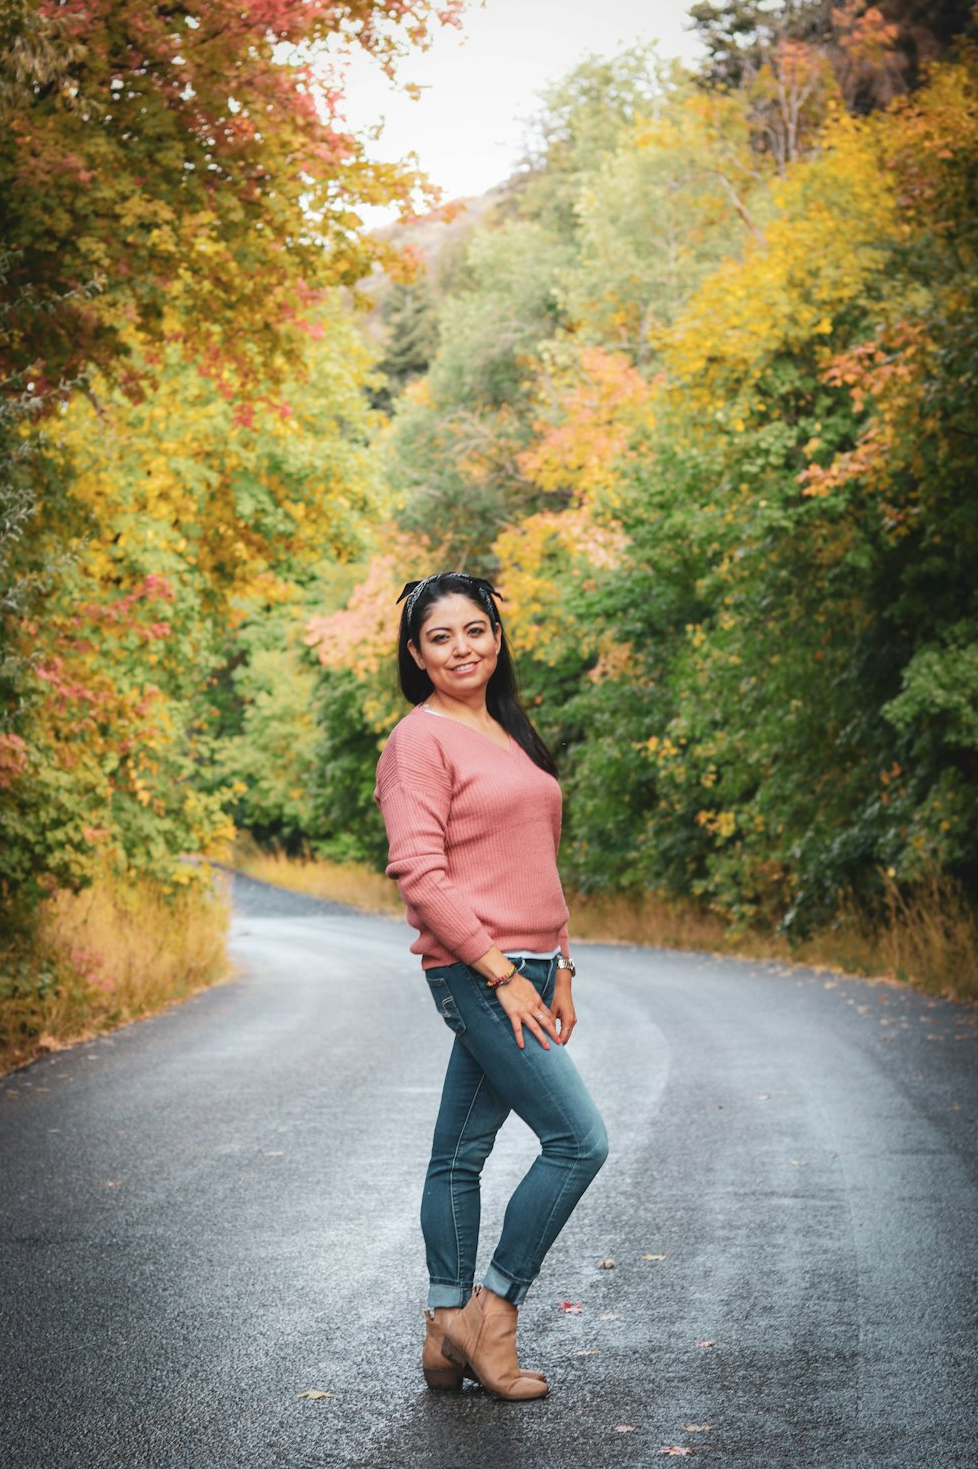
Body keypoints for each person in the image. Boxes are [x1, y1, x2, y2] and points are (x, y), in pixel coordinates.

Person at [373, 569, 608, 1403]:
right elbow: (420, 875)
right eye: (440, 637)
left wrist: (561, 962)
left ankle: (444, 1331)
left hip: (530, 965)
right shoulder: (419, 742)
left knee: (460, 1152)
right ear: (416, 654)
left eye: (474, 630)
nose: (461, 647)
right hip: (478, 969)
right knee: (581, 1142)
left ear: (497, 638)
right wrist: (505, 975)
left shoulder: (508, 732)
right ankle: (492, 1310)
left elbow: (533, 859)